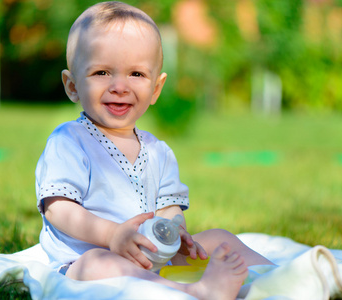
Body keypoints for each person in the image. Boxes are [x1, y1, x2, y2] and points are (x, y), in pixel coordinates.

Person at [36, 1, 274, 299]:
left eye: (136, 74)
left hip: (153, 256)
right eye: (101, 72)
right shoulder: (69, 141)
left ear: (156, 89)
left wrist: (176, 232)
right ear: (72, 86)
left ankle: (282, 278)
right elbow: (58, 209)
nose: (119, 86)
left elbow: (168, 208)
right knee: (99, 263)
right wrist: (112, 235)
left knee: (219, 239)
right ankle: (195, 291)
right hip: (87, 260)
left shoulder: (158, 151)